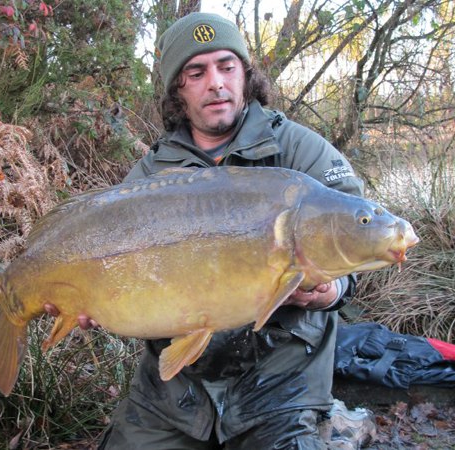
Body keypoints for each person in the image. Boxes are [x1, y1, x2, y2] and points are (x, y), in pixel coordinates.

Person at [52, 12, 364, 449]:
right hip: (176, 387)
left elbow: (358, 233)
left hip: (280, 376)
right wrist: (85, 300)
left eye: (226, 66)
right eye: (196, 73)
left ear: (245, 74)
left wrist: (332, 291)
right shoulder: (149, 175)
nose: (216, 83)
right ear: (177, 90)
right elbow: (116, 275)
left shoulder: (297, 150)